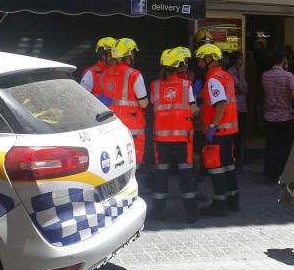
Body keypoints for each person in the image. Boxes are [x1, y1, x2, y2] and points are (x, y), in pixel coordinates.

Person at [150, 48, 198, 222]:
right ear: (179, 66)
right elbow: (192, 110)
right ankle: (191, 213)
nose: (186, 65)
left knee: (161, 176)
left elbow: (155, 105)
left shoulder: (155, 85)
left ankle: (158, 212)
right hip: (182, 140)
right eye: (184, 63)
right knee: (186, 176)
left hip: (161, 140)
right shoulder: (186, 85)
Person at [197, 43, 240, 215]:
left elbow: (220, 103)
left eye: (201, 59)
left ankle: (220, 205)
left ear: (210, 59)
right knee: (228, 166)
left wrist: (213, 125)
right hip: (229, 132)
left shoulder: (213, 79)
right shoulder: (225, 76)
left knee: (216, 167)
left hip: (218, 131)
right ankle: (233, 202)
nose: (199, 63)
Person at [102, 38, 149, 164]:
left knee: (116, 162)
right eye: (133, 54)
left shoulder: (105, 73)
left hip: (111, 124)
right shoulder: (134, 74)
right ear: (129, 55)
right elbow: (143, 103)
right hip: (132, 127)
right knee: (133, 163)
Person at [261, 48, 294, 182]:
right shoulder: (288, 76)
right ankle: (284, 173)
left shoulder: (265, 75)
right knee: (285, 147)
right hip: (286, 117)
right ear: (284, 60)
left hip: (269, 117)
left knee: (271, 146)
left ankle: (270, 174)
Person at [227, 50, 248, 171]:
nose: (242, 61)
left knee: (239, 137)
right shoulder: (231, 73)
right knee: (236, 137)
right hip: (236, 107)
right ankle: (235, 161)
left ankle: (237, 161)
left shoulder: (238, 72)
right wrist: (240, 89)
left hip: (241, 106)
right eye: (240, 59)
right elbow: (240, 88)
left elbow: (243, 89)